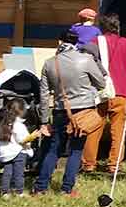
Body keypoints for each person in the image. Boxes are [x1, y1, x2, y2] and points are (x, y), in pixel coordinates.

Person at [35, 31, 108, 196]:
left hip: (61, 110)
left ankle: (41, 187)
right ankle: (66, 189)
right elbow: (101, 83)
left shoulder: (49, 63)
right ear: (77, 43)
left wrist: (44, 121)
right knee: (76, 150)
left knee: (54, 149)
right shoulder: (86, 59)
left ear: (59, 41)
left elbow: (44, 95)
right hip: (84, 111)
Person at [82, 13, 126, 175]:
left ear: (101, 27)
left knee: (93, 128)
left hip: (100, 93)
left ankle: (88, 164)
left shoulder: (94, 42)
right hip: (120, 92)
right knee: (118, 130)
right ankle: (114, 165)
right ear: (118, 27)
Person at [0, 99, 32, 200]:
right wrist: (32, 137)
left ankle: (5, 192)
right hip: (18, 152)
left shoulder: (3, 124)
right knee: (19, 173)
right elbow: (22, 140)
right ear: (22, 111)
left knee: (7, 173)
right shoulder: (19, 125)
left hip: (6, 153)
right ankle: (19, 192)